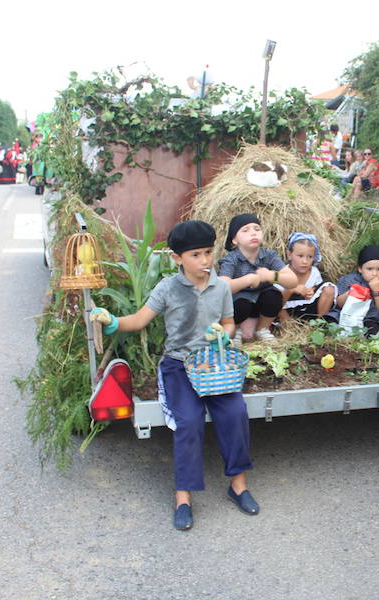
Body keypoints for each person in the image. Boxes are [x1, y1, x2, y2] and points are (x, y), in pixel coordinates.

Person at [89, 220, 260, 530]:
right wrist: (112, 321)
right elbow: (139, 320)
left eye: (208, 252)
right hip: (178, 366)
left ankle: (238, 486)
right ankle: (183, 497)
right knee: (189, 421)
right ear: (177, 258)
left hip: (213, 364)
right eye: (195, 255)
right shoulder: (167, 287)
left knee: (235, 412)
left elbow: (229, 322)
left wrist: (223, 333)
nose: (205, 261)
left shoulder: (220, 286)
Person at [217, 213, 297, 344]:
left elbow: (293, 281)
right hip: (240, 304)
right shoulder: (231, 259)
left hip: (261, 305)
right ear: (235, 240)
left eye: (257, 229)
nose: (253, 233)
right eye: (245, 230)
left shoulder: (269, 256)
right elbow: (223, 286)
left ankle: (262, 329)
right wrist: (248, 279)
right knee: (240, 303)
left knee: (274, 296)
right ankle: (236, 332)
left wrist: (272, 276)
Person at [325, 245, 379, 336]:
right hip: (345, 315)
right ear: (360, 269)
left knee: (371, 329)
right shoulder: (349, 280)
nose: (375, 274)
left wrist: (377, 292)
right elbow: (338, 303)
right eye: (369, 269)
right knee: (330, 322)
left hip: (367, 319)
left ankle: (378, 337)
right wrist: (350, 293)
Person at [277, 233, 336, 322]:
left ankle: (320, 324)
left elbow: (318, 287)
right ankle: (289, 326)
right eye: (300, 256)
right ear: (289, 255)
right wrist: (292, 289)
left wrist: (312, 290)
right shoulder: (283, 274)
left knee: (329, 289)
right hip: (288, 310)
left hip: (308, 310)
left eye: (310, 257)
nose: (305, 261)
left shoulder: (314, 272)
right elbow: (276, 302)